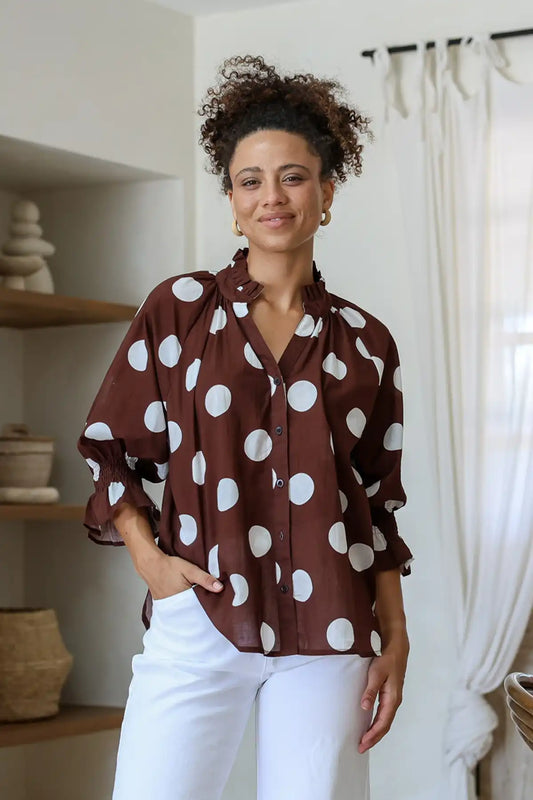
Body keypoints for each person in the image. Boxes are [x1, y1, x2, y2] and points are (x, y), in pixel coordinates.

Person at [77, 54, 414, 800]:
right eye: (250, 180)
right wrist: (153, 567)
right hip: (199, 612)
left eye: (293, 177)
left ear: (326, 193)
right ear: (231, 201)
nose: (273, 197)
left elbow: (376, 504)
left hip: (330, 629)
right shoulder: (181, 310)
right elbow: (108, 448)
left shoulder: (366, 342)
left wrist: (395, 637)